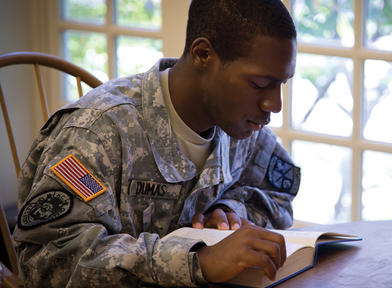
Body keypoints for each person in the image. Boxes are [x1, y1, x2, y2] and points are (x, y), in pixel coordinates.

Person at [13, 0, 300, 287]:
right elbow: (47, 263)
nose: (274, 105)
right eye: (260, 84)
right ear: (203, 54)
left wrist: (232, 211)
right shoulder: (97, 134)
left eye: (282, 84)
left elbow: (279, 193)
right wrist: (197, 262)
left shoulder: (241, 125)